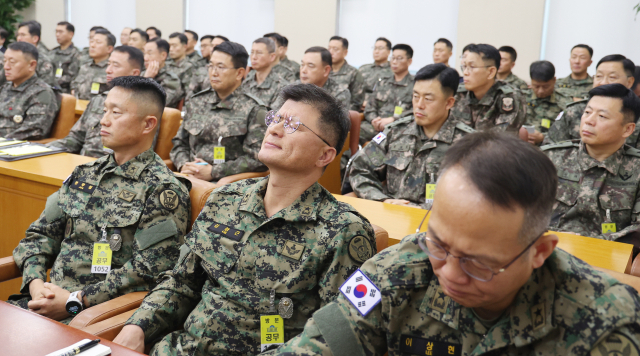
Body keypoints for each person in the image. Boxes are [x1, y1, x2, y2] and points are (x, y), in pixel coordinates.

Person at [266, 130, 640, 356]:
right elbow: (320, 345)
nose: (451, 273)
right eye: (439, 245)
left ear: (540, 251)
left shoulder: (604, 320)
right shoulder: (393, 271)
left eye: (479, 264)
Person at [113, 83, 376, 355]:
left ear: (325, 155)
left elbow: (344, 332)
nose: (274, 129)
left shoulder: (344, 230)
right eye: (275, 119)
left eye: (294, 125)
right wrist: (138, 327)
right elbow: (181, 283)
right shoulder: (225, 199)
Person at [9, 76, 190, 324]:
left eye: (116, 113)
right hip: (43, 304)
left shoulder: (162, 191)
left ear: (148, 124)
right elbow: (40, 235)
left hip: (95, 316)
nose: (103, 120)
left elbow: (149, 269)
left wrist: (75, 301)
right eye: (105, 110)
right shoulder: (84, 174)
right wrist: (36, 284)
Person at [350, 63, 473, 208]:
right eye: (415, 96)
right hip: (391, 212)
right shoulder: (395, 131)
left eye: (428, 99)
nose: (419, 105)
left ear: (449, 103)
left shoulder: (468, 144)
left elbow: (473, 197)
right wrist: (382, 199)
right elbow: (360, 168)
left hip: (436, 223)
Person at [544, 84, 640, 243]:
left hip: (605, 258)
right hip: (549, 249)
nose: (589, 121)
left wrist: (588, 244)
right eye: (587, 112)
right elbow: (522, 209)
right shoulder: (550, 158)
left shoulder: (636, 169)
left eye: (602, 116)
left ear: (627, 129)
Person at [170, 41, 268, 181]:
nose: (213, 72)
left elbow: (258, 159)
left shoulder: (255, 109)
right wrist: (184, 165)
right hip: (189, 176)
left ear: (239, 73)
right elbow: (179, 143)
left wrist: (215, 172)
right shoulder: (196, 102)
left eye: (220, 67)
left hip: (225, 183)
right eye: (211, 66)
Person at [48, 46, 143, 157]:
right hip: (83, 165)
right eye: (108, 64)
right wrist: (42, 149)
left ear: (135, 73)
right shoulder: (99, 100)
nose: (108, 70)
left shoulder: (143, 106)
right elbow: (75, 138)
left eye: (115, 65)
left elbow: (139, 153)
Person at [546, 55, 636, 145]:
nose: (603, 82)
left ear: (629, 82)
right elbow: (550, 146)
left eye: (612, 77)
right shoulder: (573, 111)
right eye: (599, 76)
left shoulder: (634, 114)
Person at [452, 43, 526, 133]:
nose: (465, 73)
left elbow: (499, 139)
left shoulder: (509, 98)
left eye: (472, 67)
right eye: (464, 67)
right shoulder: (457, 92)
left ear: (491, 72)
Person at [0, 42, 58, 140]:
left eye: (12, 62)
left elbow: (33, 131)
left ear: (31, 65)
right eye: (5, 61)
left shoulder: (41, 93)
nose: (6, 67)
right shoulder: (4, 88)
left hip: (13, 149)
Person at [363, 44, 414, 142]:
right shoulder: (382, 82)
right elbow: (370, 107)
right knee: (353, 131)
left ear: (409, 61)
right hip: (376, 126)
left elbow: (415, 112)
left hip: (399, 128)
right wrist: (375, 120)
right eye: (393, 58)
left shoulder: (415, 85)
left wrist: (393, 120)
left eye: (399, 58)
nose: (394, 62)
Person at [523, 60, 571, 144]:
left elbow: (569, 133)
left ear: (554, 80)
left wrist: (543, 137)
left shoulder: (565, 103)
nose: (540, 91)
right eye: (536, 86)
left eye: (546, 87)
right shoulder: (521, 98)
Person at [242, 37, 290, 109]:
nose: (254, 57)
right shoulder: (248, 79)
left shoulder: (281, 86)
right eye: (252, 52)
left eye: (259, 53)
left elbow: (274, 116)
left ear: (272, 57)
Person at [71, 28, 115, 100]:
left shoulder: (111, 69)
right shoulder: (84, 66)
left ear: (109, 49)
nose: (92, 45)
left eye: (98, 42)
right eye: (91, 41)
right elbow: (74, 86)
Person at [14, 20, 56, 88]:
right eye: (18, 35)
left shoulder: (43, 61)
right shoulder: (13, 58)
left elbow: (46, 88)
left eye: (23, 35)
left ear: (35, 38)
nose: (19, 38)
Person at [142, 38, 183, 108]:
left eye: (150, 53)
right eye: (144, 53)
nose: (145, 58)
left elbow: (157, 104)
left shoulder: (171, 79)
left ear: (163, 56)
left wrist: (147, 79)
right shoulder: (143, 73)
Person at [328, 36, 364, 111]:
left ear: (345, 52)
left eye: (335, 49)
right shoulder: (324, 71)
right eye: (329, 48)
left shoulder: (353, 73)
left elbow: (356, 103)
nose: (331, 52)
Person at [186, 35, 227, 99]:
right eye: (211, 45)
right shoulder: (201, 70)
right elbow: (190, 93)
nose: (213, 49)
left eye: (217, 46)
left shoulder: (230, 70)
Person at [359, 37, 392, 109]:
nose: (376, 51)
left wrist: (369, 104)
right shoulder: (363, 69)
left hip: (380, 109)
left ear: (389, 51)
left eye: (380, 48)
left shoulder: (393, 71)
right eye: (375, 48)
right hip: (359, 106)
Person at [50, 21, 81, 94]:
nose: (57, 35)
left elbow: (72, 76)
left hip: (65, 93)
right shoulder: (52, 52)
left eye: (61, 32)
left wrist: (53, 82)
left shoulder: (75, 54)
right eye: (56, 32)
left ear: (71, 34)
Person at [166, 32, 195, 97]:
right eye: (169, 46)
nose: (170, 49)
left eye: (174, 46)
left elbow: (188, 92)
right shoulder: (165, 63)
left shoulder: (189, 67)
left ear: (185, 47)